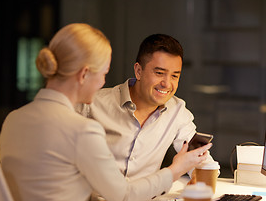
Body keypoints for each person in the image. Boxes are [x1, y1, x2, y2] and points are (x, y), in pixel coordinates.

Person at [0, 24, 211, 201]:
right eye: (103, 74)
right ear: (84, 75)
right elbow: (123, 195)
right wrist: (175, 170)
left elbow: (49, 190)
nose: (103, 83)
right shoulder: (81, 128)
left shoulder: (12, 119)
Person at [77, 33, 215, 183]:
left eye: (175, 76)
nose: (167, 84)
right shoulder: (92, 103)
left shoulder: (177, 111)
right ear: (138, 71)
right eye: (159, 73)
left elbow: (203, 162)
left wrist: (198, 177)